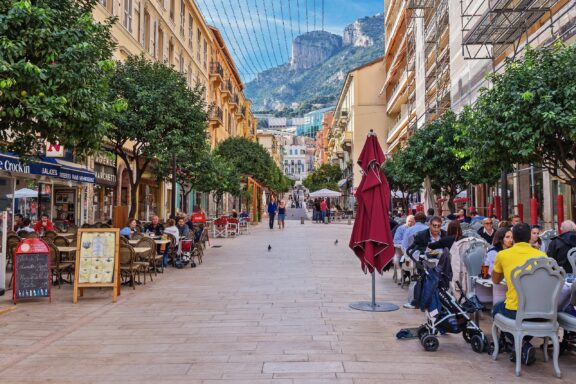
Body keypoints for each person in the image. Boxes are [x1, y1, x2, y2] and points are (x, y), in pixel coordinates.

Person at [492, 223, 546, 365]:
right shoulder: (542, 256)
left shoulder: (503, 255)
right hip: (541, 313)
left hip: (515, 311)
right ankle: (523, 344)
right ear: (530, 237)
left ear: (514, 238)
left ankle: (520, 345)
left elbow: (495, 280)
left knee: (496, 309)